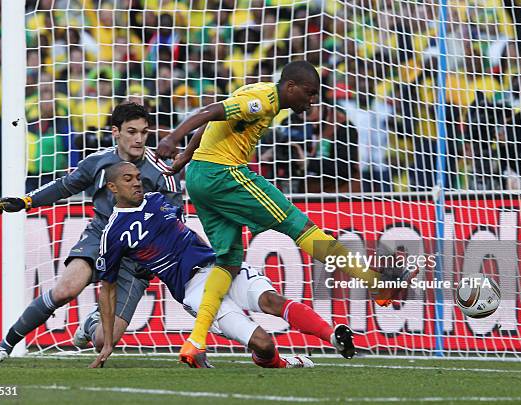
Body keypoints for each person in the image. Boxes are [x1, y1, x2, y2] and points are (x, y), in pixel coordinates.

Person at [156, 60, 416, 367]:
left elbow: (219, 120)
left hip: (200, 177)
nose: (311, 100)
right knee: (300, 226)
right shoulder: (264, 101)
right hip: (223, 173)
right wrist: (172, 139)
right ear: (289, 87)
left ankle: (196, 341)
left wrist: (186, 155)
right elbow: (210, 111)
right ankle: (374, 282)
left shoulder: (258, 94)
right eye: (308, 93)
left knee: (228, 262)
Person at [88, 162, 355, 369]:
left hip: (220, 267)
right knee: (263, 344)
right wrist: (108, 344)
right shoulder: (114, 232)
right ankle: (283, 362)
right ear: (112, 188)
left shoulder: (158, 200)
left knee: (271, 300)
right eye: (128, 179)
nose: (137, 183)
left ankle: (332, 336)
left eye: (137, 177)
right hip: (194, 290)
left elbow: (186, 232)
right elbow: (107, 289)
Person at [0, 102, 181, 364]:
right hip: (101, 237)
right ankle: (5, 344)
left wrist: (154, 257)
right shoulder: (98, 162)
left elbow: (175, 219)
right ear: (115, 132)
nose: (139, 139)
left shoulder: (162, 171)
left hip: (136, 257)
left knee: (101, 340)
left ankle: (89, 325)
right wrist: (26, 201)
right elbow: (64, 186)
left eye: (144, 133)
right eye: (132, 132)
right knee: (65, 289)